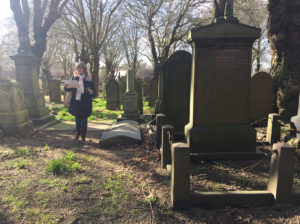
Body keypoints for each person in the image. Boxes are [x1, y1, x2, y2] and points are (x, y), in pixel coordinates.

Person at [64, 62, 95, 143]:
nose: (79, 69)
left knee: (84, 122)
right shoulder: (74, 78)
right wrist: (66, 87)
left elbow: (94, 93)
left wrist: (92, 92)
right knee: (77, 121)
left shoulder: (88, 80)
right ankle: (78, 135)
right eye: (77, 68)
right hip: (76, 103)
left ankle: (83, 138)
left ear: (84, 69)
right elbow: (69, 90)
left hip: (85, 104)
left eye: (80, 68)